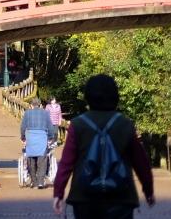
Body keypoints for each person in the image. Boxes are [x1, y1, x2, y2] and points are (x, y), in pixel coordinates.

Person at [53, 74, 155, 218]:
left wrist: (58, 193)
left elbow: (66, 163)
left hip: (84, 198)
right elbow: (141, 162)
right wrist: (148, 190)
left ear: (88, 97)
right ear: (115, 96)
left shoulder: (78, 125)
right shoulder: (125, 124)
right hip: (121, 197)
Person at [21, 97, 53, 189]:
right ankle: (40, 182)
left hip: (30, 137)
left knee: (31, 159)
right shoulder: (45, 113)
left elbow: (23, 127)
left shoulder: (27, 113)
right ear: (40, 105)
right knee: (42, 160)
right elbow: (50, 127)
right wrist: (50, 137)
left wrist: (23, 137)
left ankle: (34, 182)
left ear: (31, 105)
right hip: (42, 137)